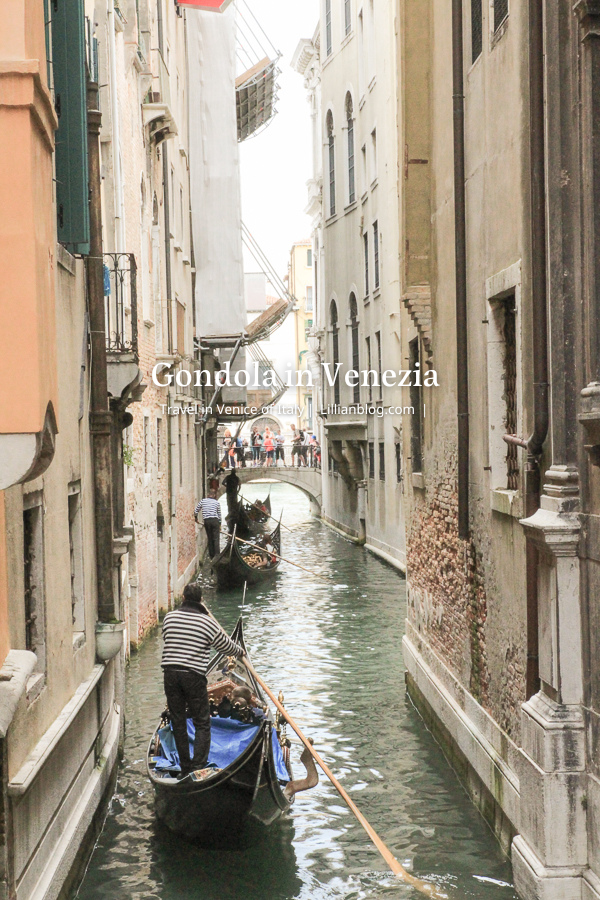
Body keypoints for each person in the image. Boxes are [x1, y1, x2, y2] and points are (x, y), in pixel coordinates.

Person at [162, 583, 244, 778]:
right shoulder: (207, 623)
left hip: (170, 674)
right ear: (200, 601)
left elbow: (168, 638)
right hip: (193, 676)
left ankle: (185, 768)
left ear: (182, 598)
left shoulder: (169, 617)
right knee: (201, 722)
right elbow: (226, 647)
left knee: (178, 720)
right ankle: (198, 767)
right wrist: (240, 652)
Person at [195, 489, 221, 559]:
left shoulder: (203, 501)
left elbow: (196, 510)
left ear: (208, 495)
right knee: (216, 538)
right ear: (214, 495)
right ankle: (217, 556)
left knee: (210, 538)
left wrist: (196, 518)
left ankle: (211, 556)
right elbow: (219, 514)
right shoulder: (216, 502)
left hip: (207, 521)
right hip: (215, 521)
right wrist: (220, 524)